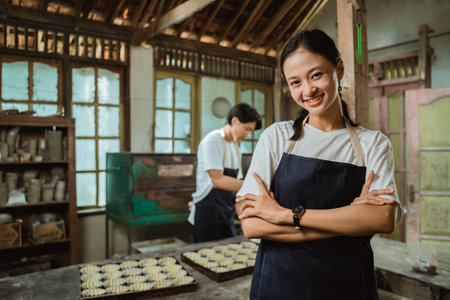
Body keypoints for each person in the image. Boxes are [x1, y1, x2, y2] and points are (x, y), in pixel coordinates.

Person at [236, 30, 401, 300]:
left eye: (316, 75)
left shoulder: (373, 144)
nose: (307, 90)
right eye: (295, 82)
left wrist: (286, 215)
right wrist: (348, 219)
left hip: (347, 287)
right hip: (279, 285)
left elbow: (383, 219)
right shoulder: (277, 138)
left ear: (339, 69)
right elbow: (252, 225)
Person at [188, 103, 262, 243]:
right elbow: (218, 180)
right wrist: (255, 186)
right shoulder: (212, 141)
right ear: (235, 121)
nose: (247, 135)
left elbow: (236, 191)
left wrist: (244, 218)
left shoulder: (235, 149)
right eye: (247, 129)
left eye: (250, 131)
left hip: (226, 213)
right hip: (207, 214)